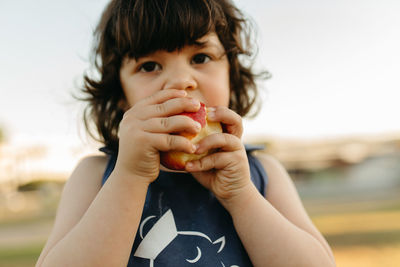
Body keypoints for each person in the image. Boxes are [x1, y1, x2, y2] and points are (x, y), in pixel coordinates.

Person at [36, 0, 335, 266]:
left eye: (201, 58)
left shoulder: (261, 173)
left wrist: (242, 195)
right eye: (150, 65)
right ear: (120, 95)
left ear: (232, 73)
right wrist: (129, 177)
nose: (180, 82)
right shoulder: (96, 175)